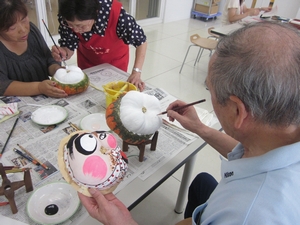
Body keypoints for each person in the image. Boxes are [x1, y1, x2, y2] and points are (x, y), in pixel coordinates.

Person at [78, 21, 300, 224]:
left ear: (237, 110)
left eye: (209, 89)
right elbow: (251, 153)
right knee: (201, 182)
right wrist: (200, 128)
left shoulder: (246, 215)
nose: (209, 95)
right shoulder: (280, 136)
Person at [52, 0, 147, 91]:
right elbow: (69, 46)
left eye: (81, 26)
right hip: (87, 61)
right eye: (71, 25)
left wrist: (136, 72)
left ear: (95, 13)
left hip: (115, 62)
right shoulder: (67, 17)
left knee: (114, 91)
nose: (76, 30)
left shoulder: (117, 15)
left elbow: (141, 42)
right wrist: (64, 52)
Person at [0, 0, 67, 98]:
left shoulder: (32, 31)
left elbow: (48, 60)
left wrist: (58, 71)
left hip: (46, 100)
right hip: (16, 106)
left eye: (24, 21)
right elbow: (2, 85)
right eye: (12, 28)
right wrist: (39, 88)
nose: (23, 30)